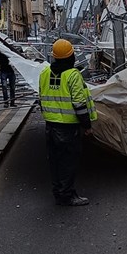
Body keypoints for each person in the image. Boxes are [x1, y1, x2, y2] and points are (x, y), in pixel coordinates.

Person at [38, 39, 97, 206]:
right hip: (68, 128)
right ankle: (68, 195)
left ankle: (58, 192)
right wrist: (87, 126)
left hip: (50, 126)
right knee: (68, 162)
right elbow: (79, 104)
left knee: (55, 161)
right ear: (71, 56)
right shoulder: (72, 75)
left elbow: (41, 98)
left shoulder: (44, 73)